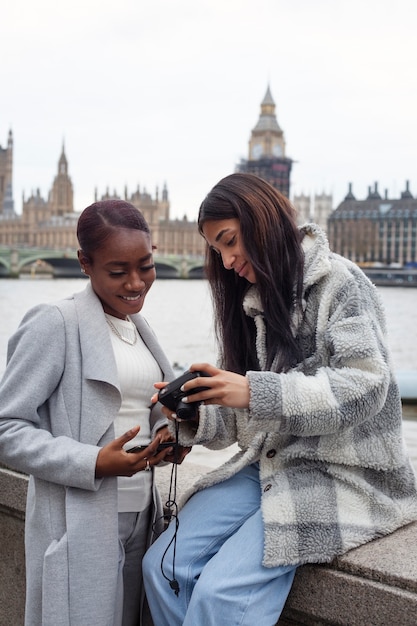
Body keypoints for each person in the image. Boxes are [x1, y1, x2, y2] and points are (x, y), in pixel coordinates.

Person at [143, 173, 417, 626]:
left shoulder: (341, 283)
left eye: (230, 242)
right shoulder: (252, 302)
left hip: (344, 470)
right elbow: (249, 417)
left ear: (263, 219)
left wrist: (253, 390)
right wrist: (192, 417)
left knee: (221, 594)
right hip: (273, 461)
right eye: (217, 251)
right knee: (164, 567)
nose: (227, 262)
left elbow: (367, 385)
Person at [0, 199, 188, 626]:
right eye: (118, 272)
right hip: (79, 519)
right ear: (85, 263)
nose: (136, 282)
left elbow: (145, 402)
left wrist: (167, 432)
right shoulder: (55, 322)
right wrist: (94, 462)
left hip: (143, 513)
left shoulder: (139, 328)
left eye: (146, 265)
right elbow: (6, 427)